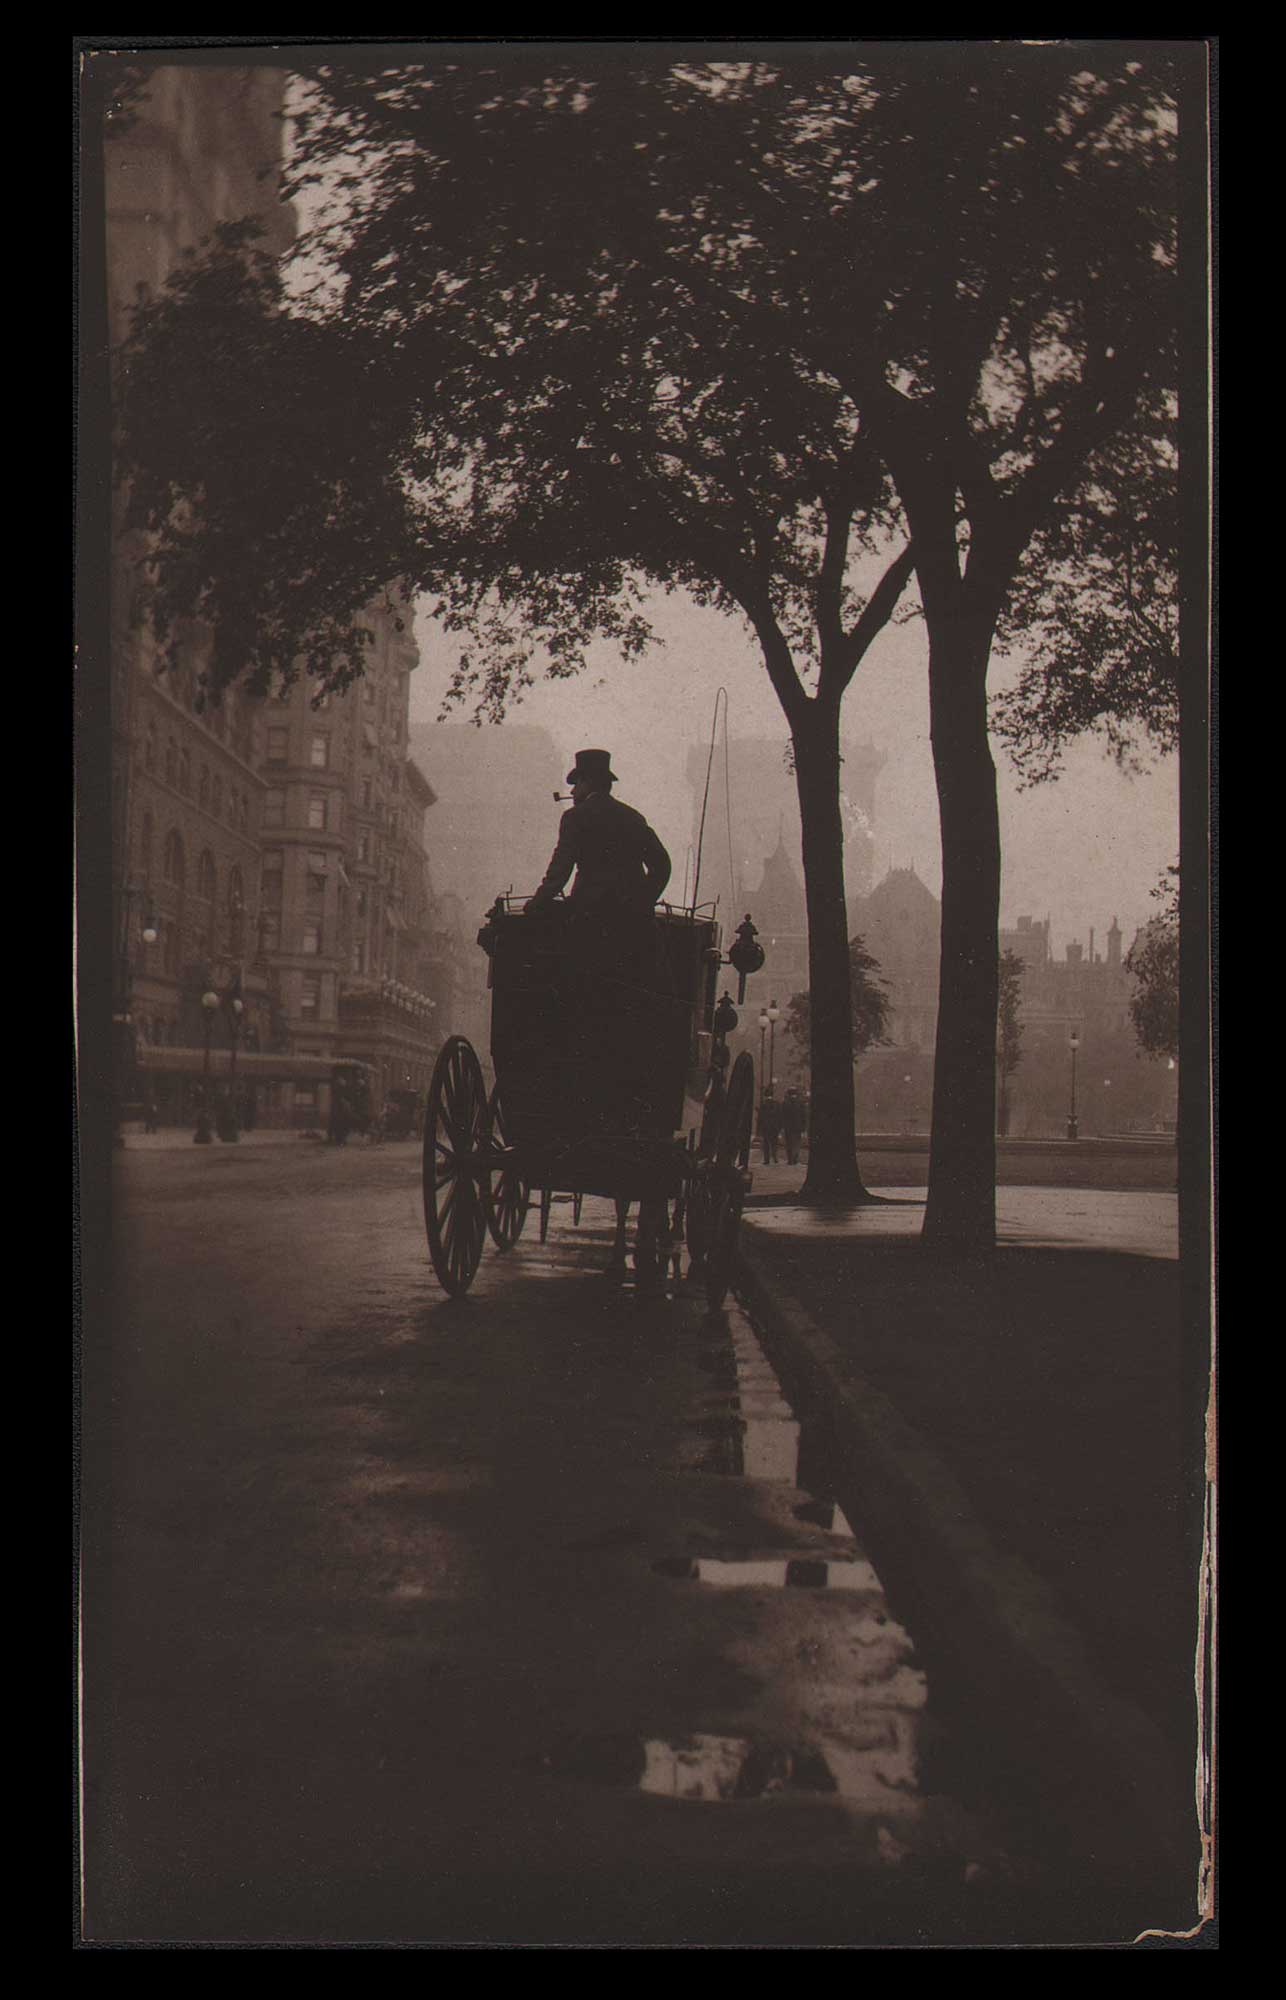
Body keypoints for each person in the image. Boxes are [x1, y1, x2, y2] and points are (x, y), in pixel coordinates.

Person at [526, 749, 672, 917]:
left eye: (576, 784)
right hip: (634, 924)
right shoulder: (634, 817)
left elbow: (559, 872)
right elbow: (662, 865)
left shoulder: (574, 818)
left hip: (590, 919)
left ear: (587, 782)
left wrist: (536, 903)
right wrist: (642, 902)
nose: (572, 791)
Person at [758, 1084, 782, 1165]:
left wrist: (759, 1128)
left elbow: (760, 1117)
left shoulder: (763, 1105)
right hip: (775, 1127)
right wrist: (779, 1127)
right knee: (774, 1143)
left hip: (766, 1127)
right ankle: (775, 1158)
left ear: (765, 1095)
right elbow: (779, 1116)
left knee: (766, 1144)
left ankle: (766, 1160)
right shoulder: (777, 1104)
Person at [782, 1086, 806, 1165]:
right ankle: (795, 1158)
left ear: (789, 1094)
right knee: (796, 1143)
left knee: (789, 1144)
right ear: (796, 1094)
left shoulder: (785, 1103)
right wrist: (803, 1128)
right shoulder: (801, 1103)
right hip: (798, 1127)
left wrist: (782, 1127)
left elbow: (782, 1116)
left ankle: (790, 1160)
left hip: (788, 1127)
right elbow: (804, 1116)